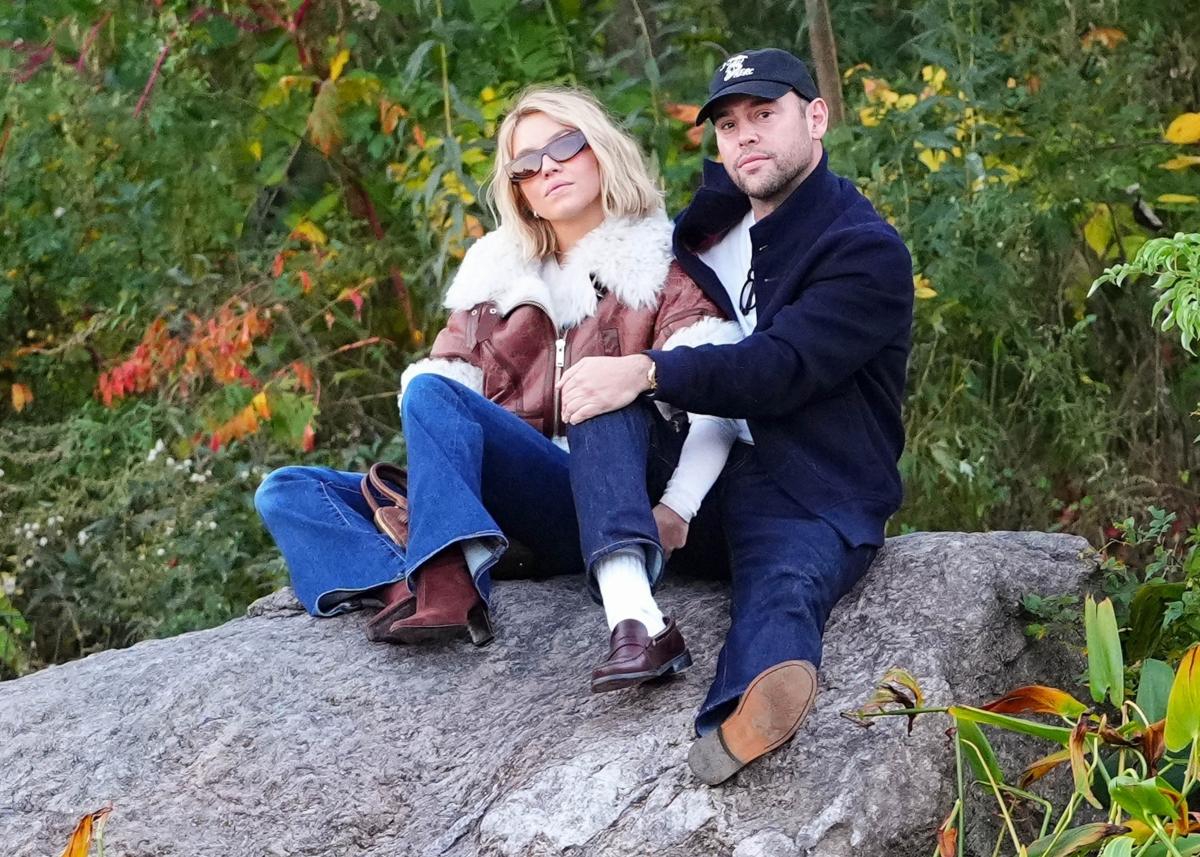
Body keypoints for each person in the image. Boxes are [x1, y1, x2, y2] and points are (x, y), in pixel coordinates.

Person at [255, 85, 742, 692]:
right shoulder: (493, 279)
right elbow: (441, 405)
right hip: (509, 504)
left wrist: (677, 508)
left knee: (468, 391)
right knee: (288, 491)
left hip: (606, 497)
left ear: (601, 148)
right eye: (526, 164)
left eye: (563, 145)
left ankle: (448, 574)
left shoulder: (661, 264)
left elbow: (721, 397)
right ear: (518, 190)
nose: (548, 168)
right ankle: (414, 582)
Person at [557, 48, 914, 782]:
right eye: (727, 124)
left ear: (816, 118)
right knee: (601, 390)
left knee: (785, 585)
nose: (744, 135)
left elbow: (777, 368)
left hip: (811, 484)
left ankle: (740, 718)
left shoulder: (863, 250)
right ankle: (631, 612)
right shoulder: (705, 230)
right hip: (702, 464)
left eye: (764, 114)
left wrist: (650, 369)